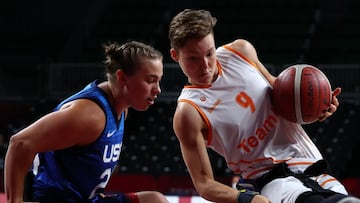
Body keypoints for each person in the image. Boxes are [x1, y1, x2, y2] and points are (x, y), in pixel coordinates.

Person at [168, 9, 360, 203]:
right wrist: (246, 199)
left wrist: (319, 106)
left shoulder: (240, 51)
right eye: (193, 58)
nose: (205, 65)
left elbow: (282, 92)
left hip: (311, 164)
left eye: (209, 53)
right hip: (269, 180)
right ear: (175, 55)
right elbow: (204, 184)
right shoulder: (188, 112)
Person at [5, 41, 169, 203]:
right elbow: (20, 143)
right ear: (122, 77)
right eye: (150, 80)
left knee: (155, 200)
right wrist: (15, 200)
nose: (158, 89)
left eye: (158, 81)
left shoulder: (120, 108)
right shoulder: (90, 116)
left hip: (87, 199)